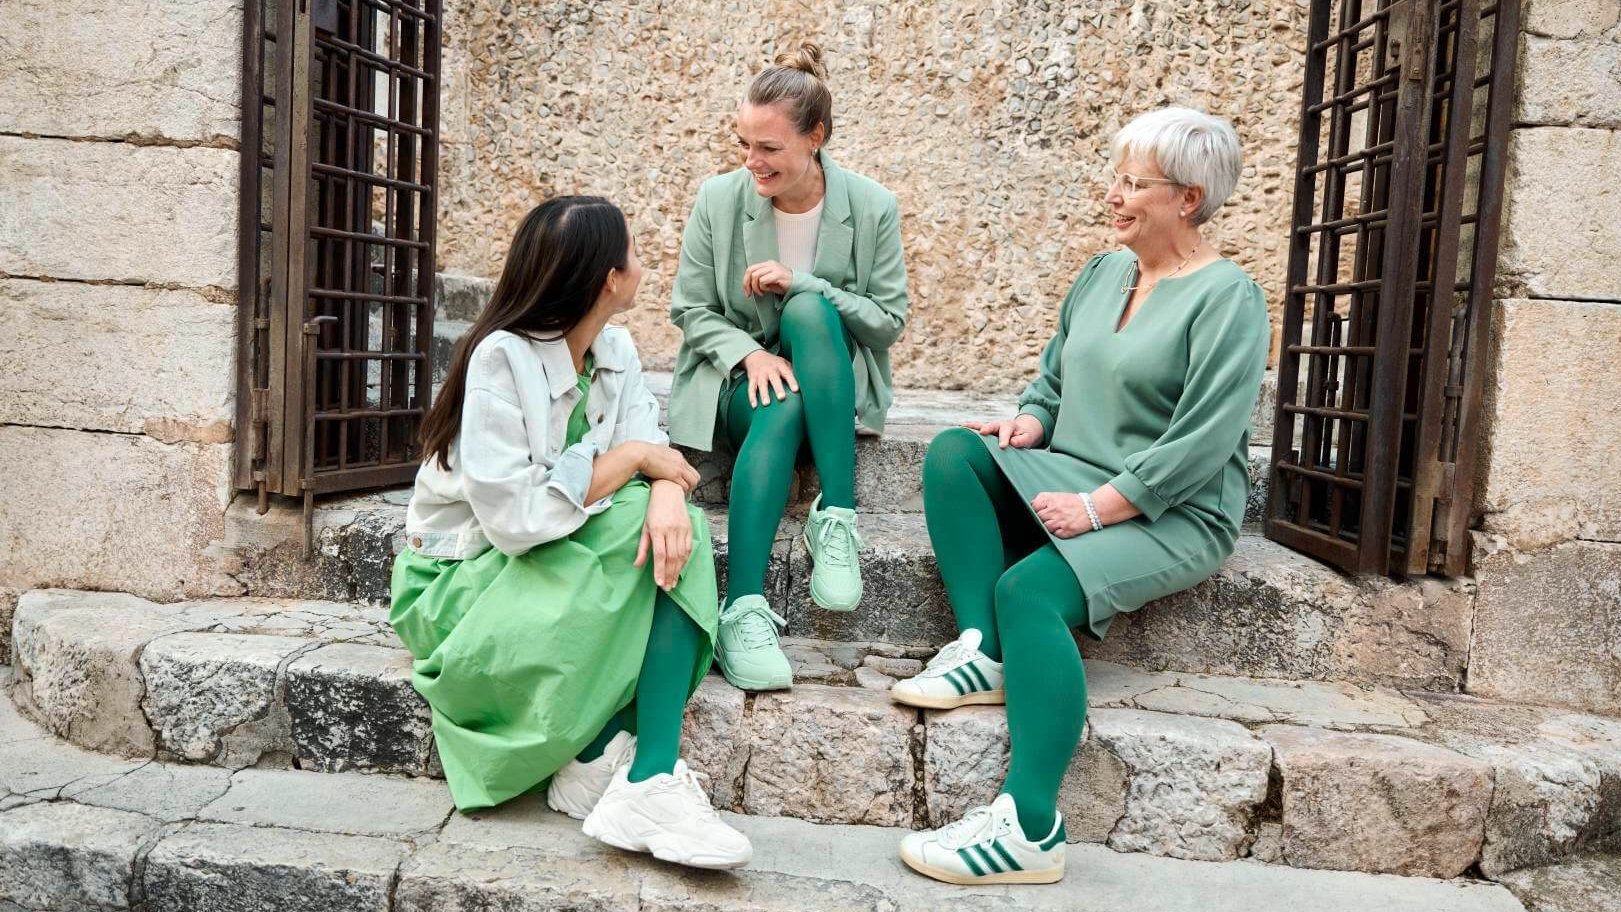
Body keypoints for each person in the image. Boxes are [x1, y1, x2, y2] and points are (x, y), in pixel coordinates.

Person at [890, 107, 1269, 885]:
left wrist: (1101, 508)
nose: (1113, 196)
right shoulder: (1104, 273)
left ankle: (1028, 827)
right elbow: (1057, 373)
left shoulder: (1229, 298)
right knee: (957, 452)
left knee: (1027, 590)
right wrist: (1031, 418)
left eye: (1133, 184)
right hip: (1074, 469)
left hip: (1173, 508)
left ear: (1187, 199)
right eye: (1116, 178)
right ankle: (981, 652)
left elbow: (1202, 443)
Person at [390, 196, 751, 870]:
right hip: (457, 587)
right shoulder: (500, 359)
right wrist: (633, 465)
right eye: (635, 255)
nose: (643, 266)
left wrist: (666, 488)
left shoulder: (612, 347)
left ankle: (615, 766)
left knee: (674, 528)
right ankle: (640, 773)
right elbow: (517, 521)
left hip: (534, 566)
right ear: (606, 280)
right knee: (639, 535)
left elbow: (652, 446)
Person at [667, 42, 909, 691]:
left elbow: (887, 320)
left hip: (828, 376)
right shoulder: (719, 199)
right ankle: (742, 609)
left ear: (815, 139)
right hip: (733, 379)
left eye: (768, 148)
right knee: (776, 405)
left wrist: (806, 284)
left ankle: (837, 517)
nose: (752, 161)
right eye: (744, 143)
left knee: (806, 310)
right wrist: (746, 352)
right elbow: (688, 308)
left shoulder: (871, 206)